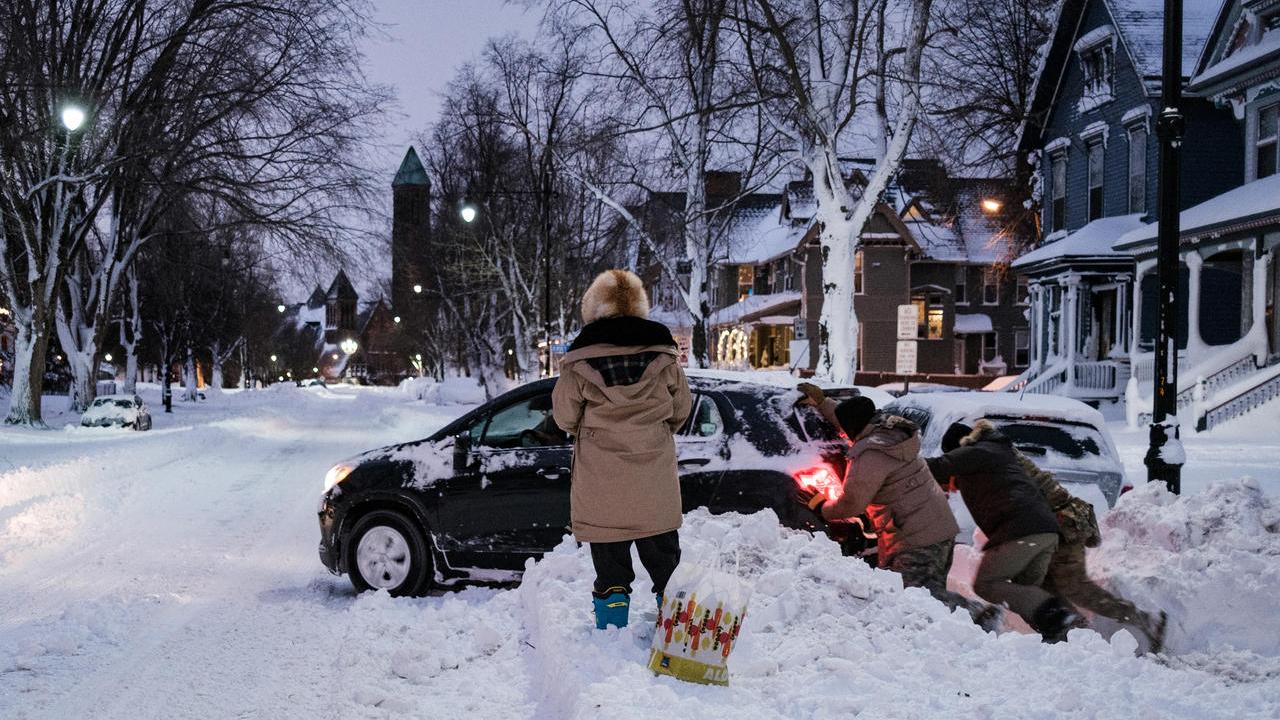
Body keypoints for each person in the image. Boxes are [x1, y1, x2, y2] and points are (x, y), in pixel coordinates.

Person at [552, 269, 692, 630]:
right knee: (666, 566)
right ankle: (678, 635)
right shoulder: (665, 356)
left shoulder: (578, 360)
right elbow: (681, 411)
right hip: (654, 480)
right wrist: (653, 433)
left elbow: (565, 417)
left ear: (595, 309)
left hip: (601, 483)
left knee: (611, 568)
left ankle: (612, 638)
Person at [795, 384, 1000, 631]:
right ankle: (952, 637)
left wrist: (822, 507)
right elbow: (850, 419)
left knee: (918, 597)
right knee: (926, 595)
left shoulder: (872, 455)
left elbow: (853, 502)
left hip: (916, 537)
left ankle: (979, 615)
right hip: (937, 527)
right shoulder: (887, 433)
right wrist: (823, 402)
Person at [928, 421, 1081, 642]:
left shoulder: (975, 452)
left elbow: (937, 466)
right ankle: (1067, 641)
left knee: (986, 583)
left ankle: (1060, 616)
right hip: (1044, 530)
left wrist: (901, 459)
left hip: (1022, 531)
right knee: (1026, 595)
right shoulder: (996, 451)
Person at [1020, 452, 1168, 651]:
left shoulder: (994, 459)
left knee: (1075, 587)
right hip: (1052, 526)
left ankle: (1143, 619)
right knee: (1044, 586)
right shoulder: (998, 454)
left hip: (1062, 526)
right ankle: (1076, 635)